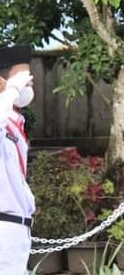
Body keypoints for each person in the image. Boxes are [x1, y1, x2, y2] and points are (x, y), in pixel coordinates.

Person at [0, 45, 36, 275]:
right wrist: (11, 90)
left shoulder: (14, 121)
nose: (29, 83)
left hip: (17, 229)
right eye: (24, 78)